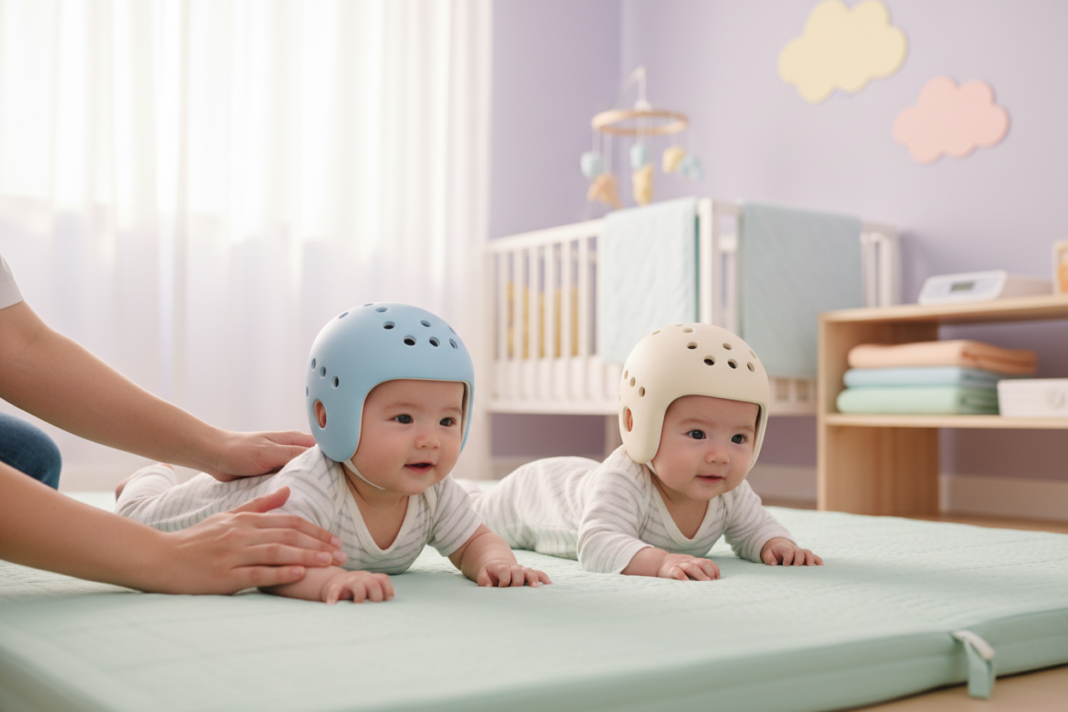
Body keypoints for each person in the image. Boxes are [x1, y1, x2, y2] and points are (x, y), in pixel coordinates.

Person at [116, 303, 552, 604]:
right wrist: (329, 581)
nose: (430, 440)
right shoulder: (312, 485)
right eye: (403, 419)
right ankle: (145, 479)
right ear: (331, 416)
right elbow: (273, 555)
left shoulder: (434, 492)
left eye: (447, 421)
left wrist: (496, 563)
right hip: (185, 517)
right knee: (137, 512)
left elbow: (473, 540)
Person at [0, 252, 345, 594]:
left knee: (32, 457)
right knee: (131, 506)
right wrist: (163, 556)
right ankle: (144, 481)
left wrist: (216, 447)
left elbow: (20, 347)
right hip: (146, 505)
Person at [462, 323, 823, 580]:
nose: (720, 455)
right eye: (698, 433)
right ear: (641, 425)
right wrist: (661, 562)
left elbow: (754, 527)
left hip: (574, 479)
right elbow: (598, 545)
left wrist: (776, 544)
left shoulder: (728, 490)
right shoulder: (625, 479)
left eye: (739, 439)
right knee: (471, 516)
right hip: (538, 494)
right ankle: (460, 489)